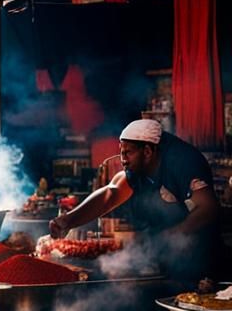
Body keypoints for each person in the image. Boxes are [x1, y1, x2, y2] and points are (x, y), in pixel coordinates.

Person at [50, 119, 219, 282]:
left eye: (127, 153)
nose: (122, 159)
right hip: (165, 258)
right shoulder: (138, 166)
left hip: (200, 261)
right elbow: (110, 194)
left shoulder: (183, 161)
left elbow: (208, 208)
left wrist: (169, 236)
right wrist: (69, 220)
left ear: (147, 151)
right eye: (121, 152)